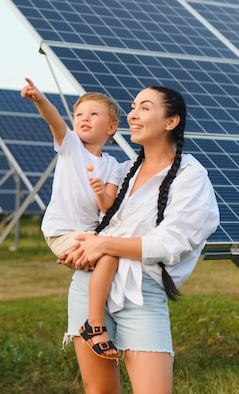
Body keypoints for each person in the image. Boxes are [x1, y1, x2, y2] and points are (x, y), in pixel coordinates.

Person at [58, 85, 220, 394]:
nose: (132, 114)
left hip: (142, 292)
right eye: (133, 107)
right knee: (100, 390)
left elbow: (171, 242)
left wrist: (102, 245)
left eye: (144, 108)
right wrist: (77, 249)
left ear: (171, 122)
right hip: (89, 285)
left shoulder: (190, 176)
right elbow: (92, 223)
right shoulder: (122, 171)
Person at [21, 77, 126, 359]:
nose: (84, 119)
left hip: (87, 234)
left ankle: (102, 318)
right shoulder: (70, 146)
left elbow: (108, 205)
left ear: (111, 127)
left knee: (110, 253)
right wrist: (39, 98)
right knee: (109, 254)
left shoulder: (113, 165)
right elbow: (55, 120)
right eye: (79, 114)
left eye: (93, 114)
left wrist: (101, 191)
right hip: (61, 230)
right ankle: (94, 324)